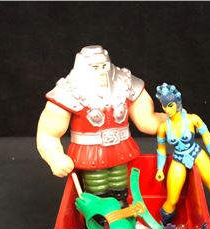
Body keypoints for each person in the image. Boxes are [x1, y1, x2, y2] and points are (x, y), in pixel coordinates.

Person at [36, 46, 164, 205]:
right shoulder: (68, 91)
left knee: (120, 186)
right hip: (90, 152)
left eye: (104, 66)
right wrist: (54, 157)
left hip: (120, 148)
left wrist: (171, 123)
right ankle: (99, 217)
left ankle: (121, 211)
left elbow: (146, 119)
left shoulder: (125, 82)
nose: (102, 72)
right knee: (97, 188)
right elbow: (48, 133)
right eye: (95, 67)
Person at [155, 83, 210, 226]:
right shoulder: (163, 127)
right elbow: (161, 150)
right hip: (178, 158)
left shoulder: (192, 119)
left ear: (177, 103)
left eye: (170, 105)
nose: (167, 110)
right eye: (164, 106)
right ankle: (163, 226)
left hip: (196, 153)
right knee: (172, 199)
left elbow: (207, 135)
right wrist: (160, 169)